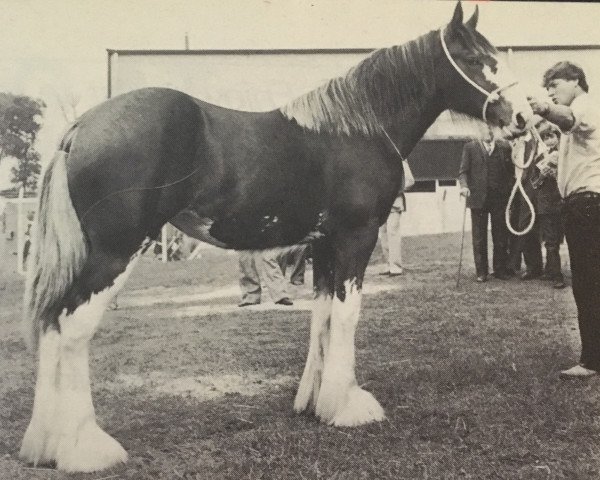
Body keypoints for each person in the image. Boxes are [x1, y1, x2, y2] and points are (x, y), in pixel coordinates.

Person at [529, 61, 600, 377]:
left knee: (587, 284)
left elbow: (568, 118)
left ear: (575, 81)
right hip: (586, 203)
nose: (551, 93)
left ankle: (592, 361)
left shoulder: (584, 106)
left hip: (587, 205)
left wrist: (542, 107)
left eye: (554, 86)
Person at [459, 126, 513, 282]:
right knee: (479, 237)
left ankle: (500, 269)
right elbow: (463, 171)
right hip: (478, 198)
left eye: (490, 129)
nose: (488, 132)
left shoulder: (504, 147)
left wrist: (508, 189)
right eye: (484, 129)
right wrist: (464, 186)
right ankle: (481, 272)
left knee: (500, 235)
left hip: (499, 198)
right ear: (478, 131)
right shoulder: (470, 147)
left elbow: (510, 172)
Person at [530, 119, 565, 289]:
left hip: (562, 203)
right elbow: (534, 183)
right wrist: (543, 175)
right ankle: (556, 275)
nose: (549, 140)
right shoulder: (538, 158)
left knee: (560, 239)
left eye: (552, 137)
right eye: (546, 138)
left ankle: (553, 269)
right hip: (545, 204)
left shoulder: (565, 155)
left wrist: (556, 172)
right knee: (550, 240)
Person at [379, 159, 415, 276]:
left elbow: (410, 181)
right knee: (383, 234)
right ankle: (388, 264)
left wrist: (395, 189)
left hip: (395, 202)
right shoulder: (380, 158)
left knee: (392, 233)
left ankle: (396, 267)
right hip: (382, 203)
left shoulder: (401, 160)